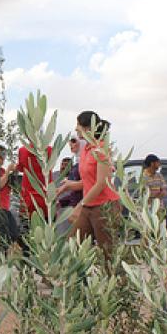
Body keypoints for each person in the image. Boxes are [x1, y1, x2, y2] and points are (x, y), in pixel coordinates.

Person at [69, 111, 121, 261]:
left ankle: (117, 282)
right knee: (73, 243)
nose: (76, 128)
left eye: (78, 124)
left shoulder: (101, 150)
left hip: (105, 207)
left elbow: (100, 184)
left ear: (87, 129)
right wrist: (68, 186)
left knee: (108, 253)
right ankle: (67, 280)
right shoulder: (86, 150)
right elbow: (88, 181)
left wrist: (80, 206)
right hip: (89, 205)